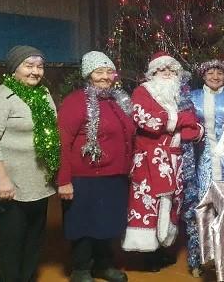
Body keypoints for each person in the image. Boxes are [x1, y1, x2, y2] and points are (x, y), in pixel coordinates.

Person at [0, 45, 59, 282]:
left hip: (39, 182)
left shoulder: (44, 94)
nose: (35, 71)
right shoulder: (0, 97)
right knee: (11, 243)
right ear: (14, 69)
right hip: (12, 185)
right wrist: (2, 179)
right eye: (29, 65)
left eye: (40, 66)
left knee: (34, 240)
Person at [57, 51, 135, 282]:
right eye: (99, 72)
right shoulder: (75, 102)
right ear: (88, 75)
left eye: (109, 72)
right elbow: (63, 142)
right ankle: (81, 268)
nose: (105, 77)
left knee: (108, 222)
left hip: (115, 175)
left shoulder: (119, 100)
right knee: (83, 224)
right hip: (85, 177)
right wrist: (64, 180)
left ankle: (104, 264)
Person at [121, 52, 203, 271]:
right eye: (162, 69)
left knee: (172, 203)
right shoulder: (142, 91)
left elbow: (193, 125)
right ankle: (148, 253)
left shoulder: (181, 94)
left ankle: (163, 247)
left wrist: (187, 126)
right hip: (149, 160)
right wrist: (178, 120)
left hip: (175, 159)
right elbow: (147, 121)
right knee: (149, 204)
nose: (167, 73)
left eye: (171, 70)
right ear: (153, 73)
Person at [182, 59, 224, 277]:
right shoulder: (192, 97)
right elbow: (184, 126)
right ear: (203, 76)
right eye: (210, 73)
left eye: (219, 73)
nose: (215, 77)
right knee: (202, 206)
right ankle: (199, 259)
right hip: (201, 160)